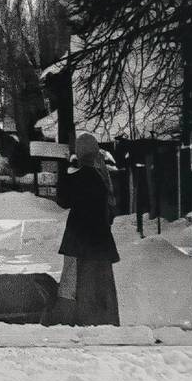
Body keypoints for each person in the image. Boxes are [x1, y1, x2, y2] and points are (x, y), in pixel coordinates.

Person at [48, 133, 120, 326]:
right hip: (100, 240)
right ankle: (104, 319)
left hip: (78, 239)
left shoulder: (79, 178)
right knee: (100, 281)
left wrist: (64, 168)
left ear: (79, 154)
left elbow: (63, 200)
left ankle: (75, 318)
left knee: (75, 281)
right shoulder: (103, 178)